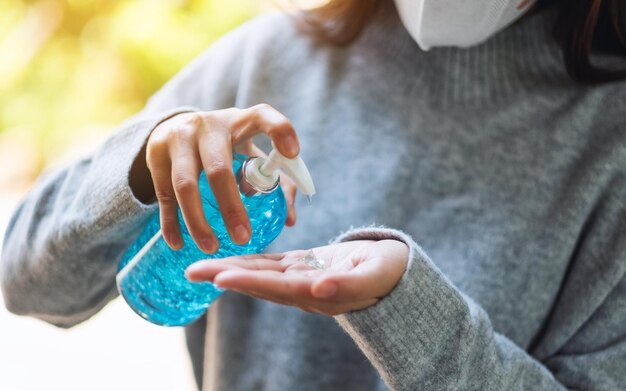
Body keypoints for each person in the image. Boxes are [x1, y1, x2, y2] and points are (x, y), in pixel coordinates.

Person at [1, 0, 625, 389]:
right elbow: (24, 280)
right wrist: (140, 163)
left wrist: (409, 317)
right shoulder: (266, 62)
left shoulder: (609, 141)